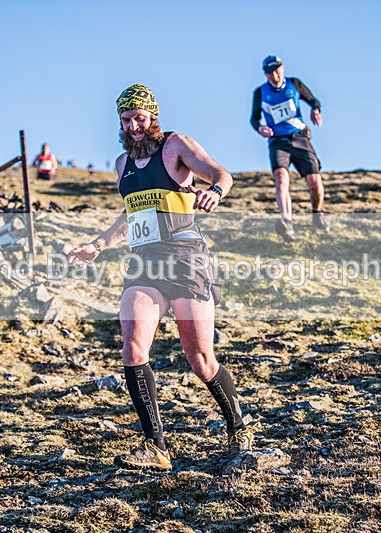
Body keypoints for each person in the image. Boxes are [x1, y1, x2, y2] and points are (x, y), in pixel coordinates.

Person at [68, 84, 253, 471]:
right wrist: (97, 245)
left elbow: (220, 172)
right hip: (144, 264)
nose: (134, 125)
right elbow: (129, 217)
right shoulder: (122, 164)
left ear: (153, 116)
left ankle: (239, 427)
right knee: (133, 346)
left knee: (201, 360)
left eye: (140, 117)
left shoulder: (175, 146)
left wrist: (215, 191)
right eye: (126, 119)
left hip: (185, 262)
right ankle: (156, 447)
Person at [250, 55, 328, 240]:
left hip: (300, 139)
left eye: (277, 71)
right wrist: (260, 128)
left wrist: (315, 110)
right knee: (281, 178)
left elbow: (314, 100)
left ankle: (317, 214)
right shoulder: (260, 92)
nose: (274, 76)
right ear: (265, 74)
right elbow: (254, 118)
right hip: (278, 142)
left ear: (283, 68)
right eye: (269, 73)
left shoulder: (295, 84)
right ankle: (287, 223)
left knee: (314, 182)